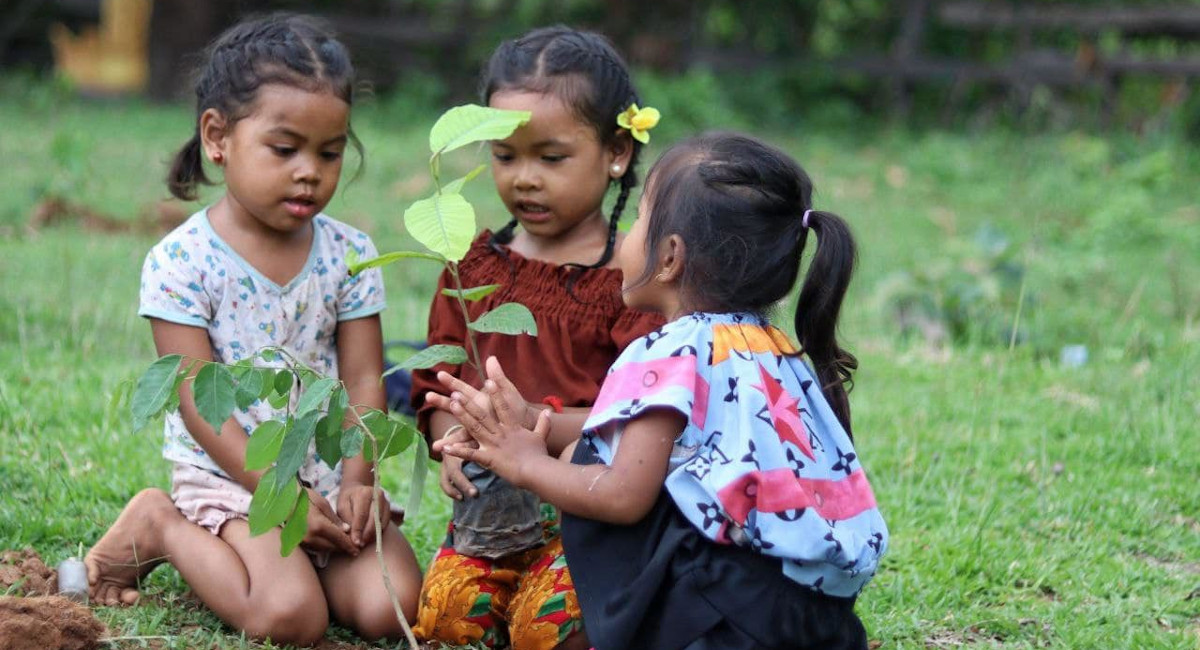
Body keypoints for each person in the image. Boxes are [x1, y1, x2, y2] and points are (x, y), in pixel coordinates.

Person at [434, 133, 890, 650]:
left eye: (639, 219)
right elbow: (647, 429)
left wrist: (526, 466)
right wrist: (531, 416)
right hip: (814, 614)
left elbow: (625, 496)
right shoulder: (771, 349)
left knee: (589, 472)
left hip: (723, 618)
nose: (626, 235)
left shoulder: (669, 349)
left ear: (670, 256)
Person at [83, 14, 422, 646]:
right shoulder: (183, 262)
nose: (310, 172)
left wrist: (357, 481)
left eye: (330, 152)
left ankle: (291, 561)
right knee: (290, 619)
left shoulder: (349, 254)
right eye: (285, 148)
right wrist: (278, 496)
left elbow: (362, 380)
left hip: (327, 475)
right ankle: (162, 525)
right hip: (233, 475)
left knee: (394, 606)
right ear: (218, 136)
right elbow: (198, 403)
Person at [407, 25, 664, 650]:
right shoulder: (470, 265)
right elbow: (436, 382)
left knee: (544, 632)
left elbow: (645, 415)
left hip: (587, 512)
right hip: (487, 514)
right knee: (447, 622)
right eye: (505, 157)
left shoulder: (632, 283)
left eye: (551, 158)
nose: (525, 179)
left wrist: (534, 425)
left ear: (616, 154)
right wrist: (453, 441)